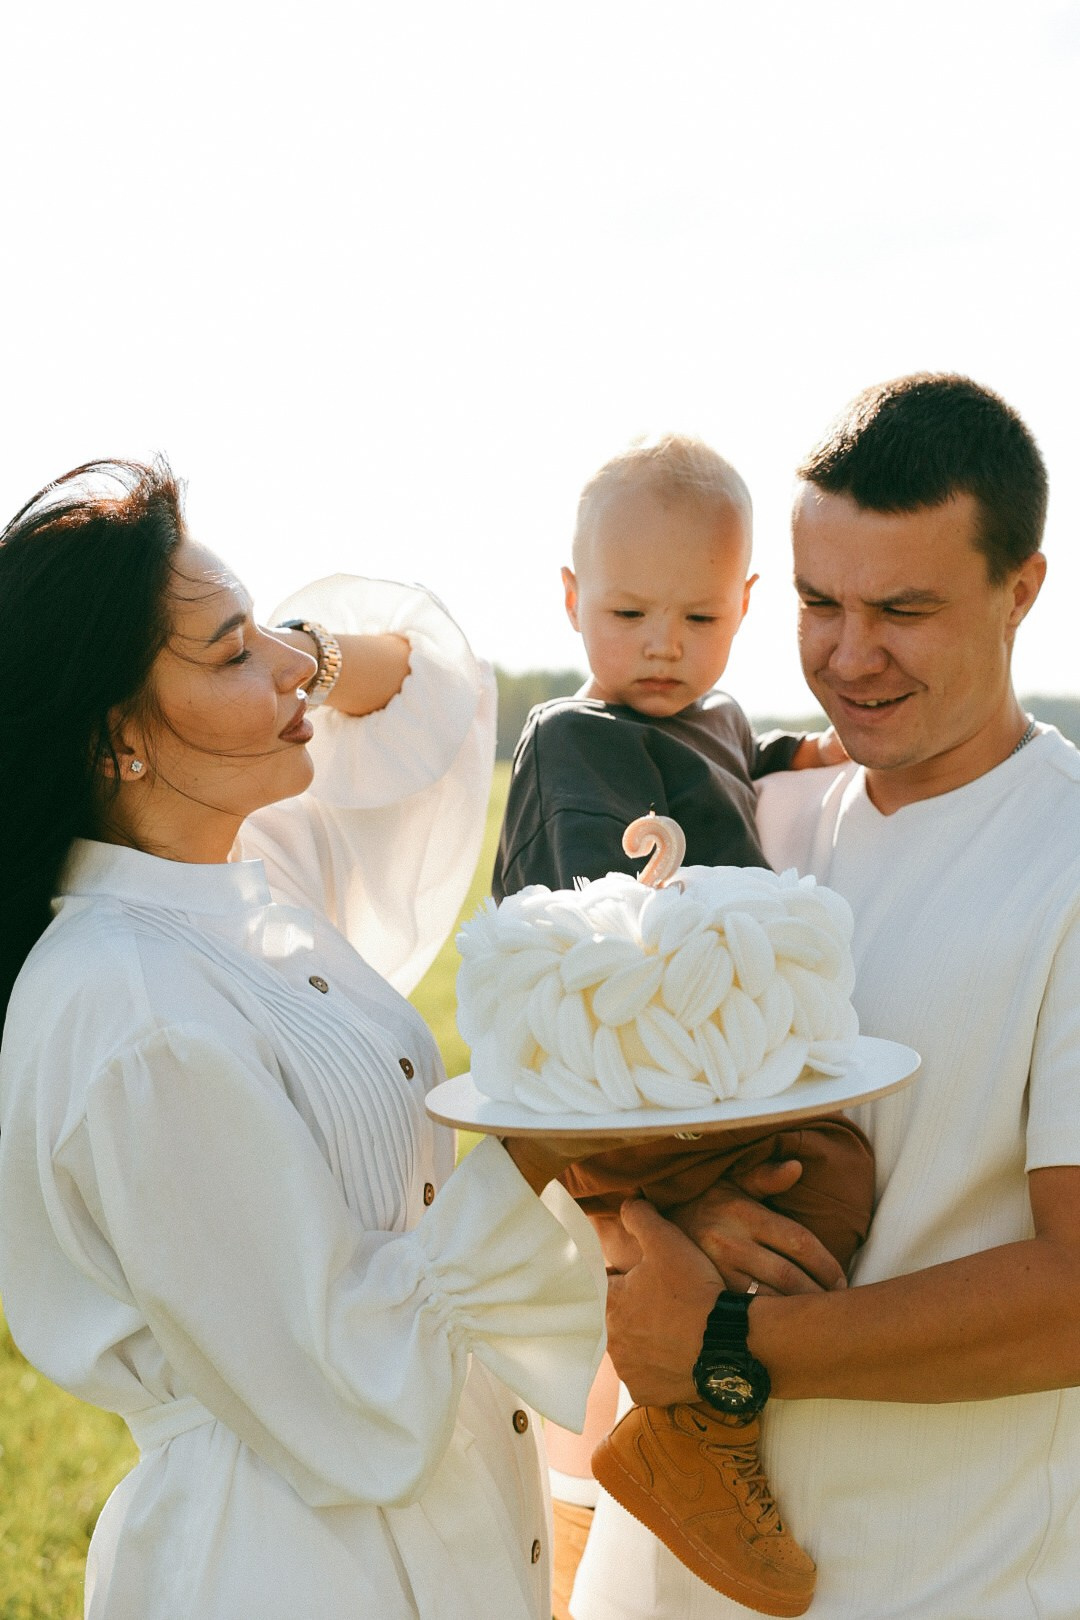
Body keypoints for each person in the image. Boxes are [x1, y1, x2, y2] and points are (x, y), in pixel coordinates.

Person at [0, 459, 615, 1620]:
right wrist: (558, 1129)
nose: (299, 672)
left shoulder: (244, 882)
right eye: (235, 653)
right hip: (294, 1568)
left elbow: (421, 690)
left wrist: (295, 649)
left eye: (279, 633)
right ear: (112, 738)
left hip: (422, 1536)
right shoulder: (135, 1017)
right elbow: (347, 1378)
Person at [571, 373, 1080, 1620]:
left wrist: (732, 1341)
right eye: (816, 602)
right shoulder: (744, 826)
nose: (850, 656)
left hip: (944, 1581)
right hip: (656, 1587)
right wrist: (645, 1218)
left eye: (904, 608)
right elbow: (584, 1112)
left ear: (1023, 588)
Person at [493, 436, 875, 1617]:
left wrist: (792, 758)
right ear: (570, 599)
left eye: (699, 617)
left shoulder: (707, 717)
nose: (663, 644)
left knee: (833, 1176)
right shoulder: (571, 745)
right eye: (628, 611)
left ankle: (685, 1429)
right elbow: (595, 938)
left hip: (695, 1069)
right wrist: (636, 1197)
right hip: (618, 1083)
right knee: (812, 1186)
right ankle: (692, 1438)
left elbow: (717, 775)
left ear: (745, 606)